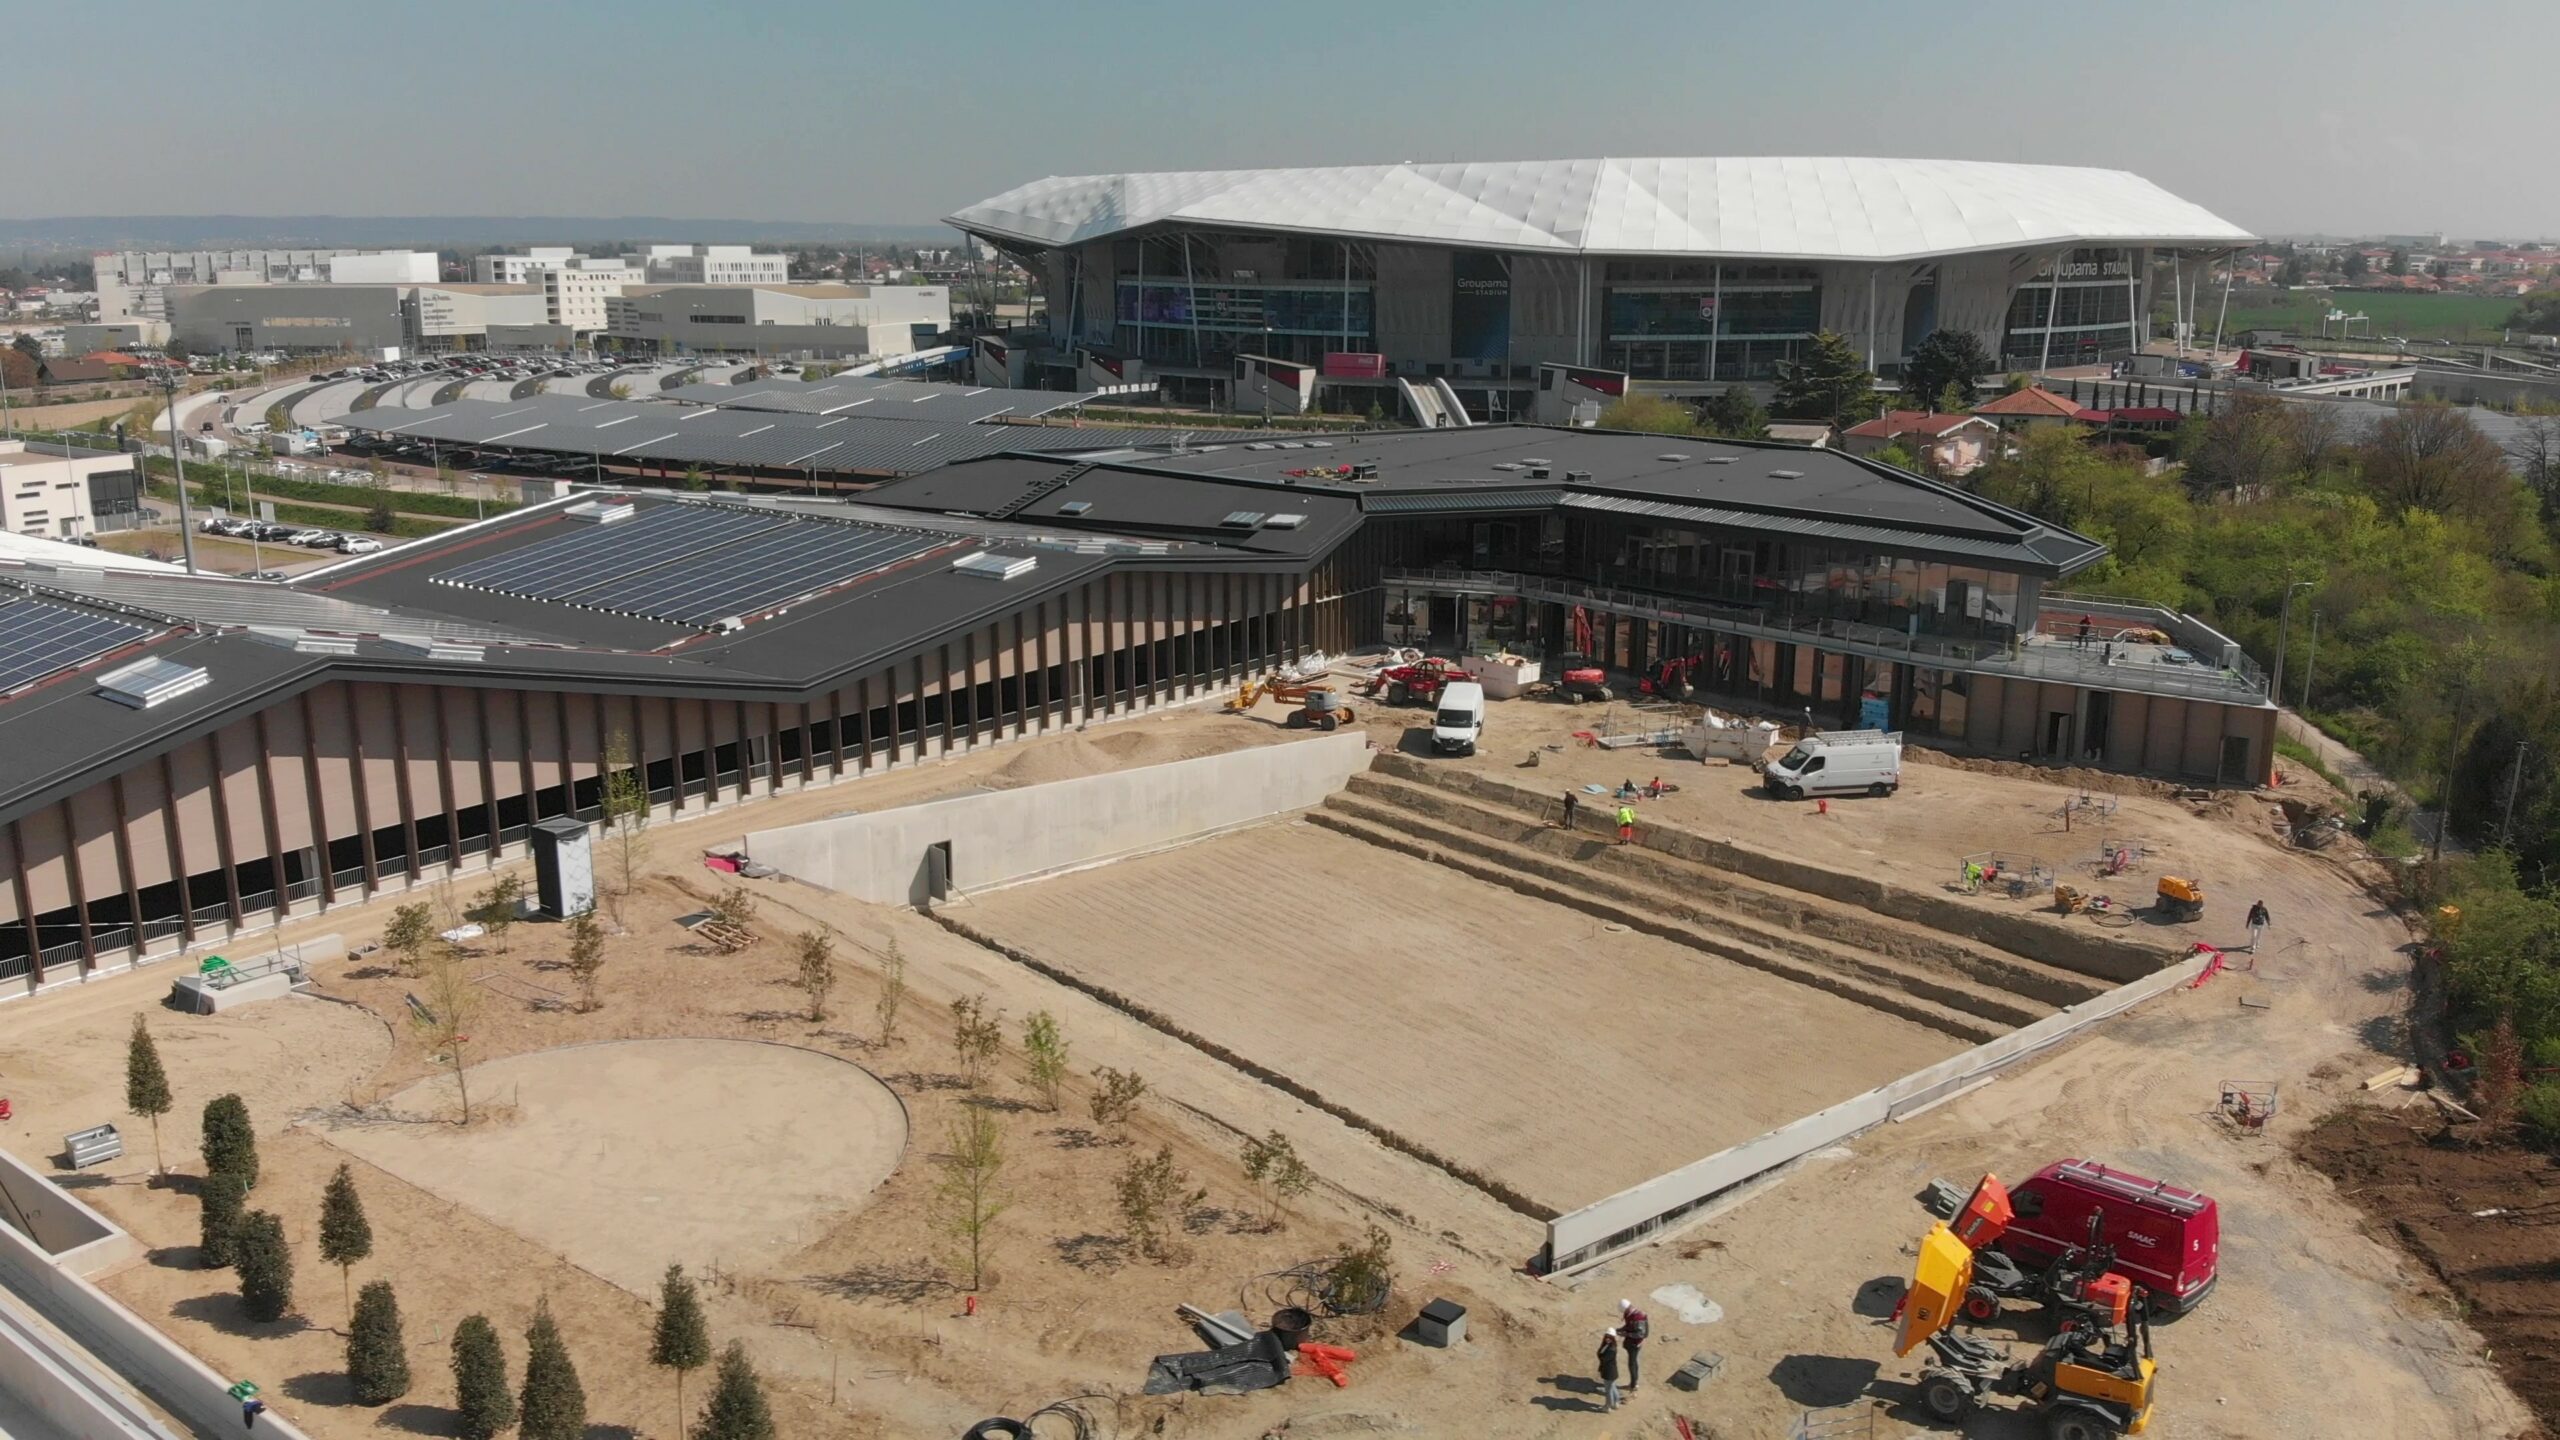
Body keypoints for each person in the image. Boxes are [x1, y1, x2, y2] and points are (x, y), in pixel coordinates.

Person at [1618, 1299, 1651, 1391]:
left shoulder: (1638, 1318)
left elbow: (1640, 1334)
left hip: (1635, 1343)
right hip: (1631, 1341)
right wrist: (1621, 1330)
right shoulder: (1630, 1314)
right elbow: (1628, 1325)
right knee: (1632, 1362)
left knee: (1632, 1363)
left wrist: (1626, 1334)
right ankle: (1634, 1383)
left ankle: (1633, 1385)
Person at [1595, 1329, 1622, 1412]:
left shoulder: (1611, 1349)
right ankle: (1616, 1403)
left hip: (1608, 1372)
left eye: (1609, 1337)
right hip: (1611, 1372)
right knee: (1613, 1387)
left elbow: (1603, 1358)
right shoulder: (1610, 1346)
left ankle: (1608, 1406)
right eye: (1606, 1337)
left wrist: (1600, 1354)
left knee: (1608, 1391)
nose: (1607, 1339)